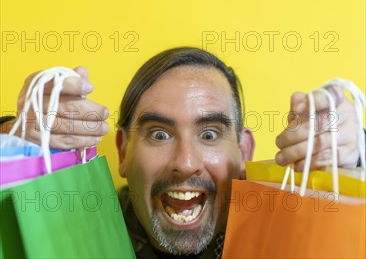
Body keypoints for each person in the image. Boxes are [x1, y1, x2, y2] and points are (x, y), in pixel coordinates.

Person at [2, 47, 361, 258]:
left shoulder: (290, 228)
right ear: (123, 151)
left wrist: (355, 155)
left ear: (244, 151)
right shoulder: (72, 230)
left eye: (209, 133)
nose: (185, 163)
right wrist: (12, 139)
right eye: (159, 134)